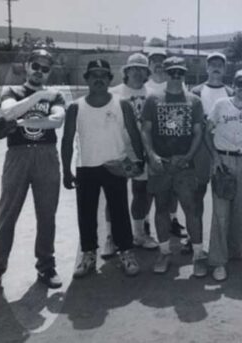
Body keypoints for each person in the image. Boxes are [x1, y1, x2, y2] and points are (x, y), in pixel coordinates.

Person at [0, 49, 66, 297]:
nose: (40, 71)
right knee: (7, 214)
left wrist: (18, 123)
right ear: (27, 66)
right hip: (17, 156)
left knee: (47, 215)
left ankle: (46, 267)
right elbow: (7, 112)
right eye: (36, 65)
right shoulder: (12, 92)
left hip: (47, 155)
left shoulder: (57, 95)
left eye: (45, 68)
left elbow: (55, 121)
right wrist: (38, 96)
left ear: (50, 71)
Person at [61, 59, 143, 278]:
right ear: (86, 79)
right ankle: (88, 254)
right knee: (86, 214)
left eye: (103, 75)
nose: (99, 78)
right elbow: (67, 140)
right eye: (94, 74)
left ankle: (126, 252)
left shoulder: (122, 103)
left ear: (109, 79)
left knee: (119, 212)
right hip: (86, 167)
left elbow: (134, 134)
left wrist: (139, 161)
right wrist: (66, 170)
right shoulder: (76, 106)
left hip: (115, 166)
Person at [140, 56, 207, 277]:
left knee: (191, 208)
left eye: (180, 73)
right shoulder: (153, 99)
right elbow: (146, 131)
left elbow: (198, 133)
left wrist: (188, 156)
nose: (176, 76)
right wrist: (152, 156)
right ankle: (165, 252)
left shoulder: (194, 100)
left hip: (184, 164)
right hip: (162, 163)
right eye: (172, 72)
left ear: (184, 74)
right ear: (165, 74)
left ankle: (198, 254)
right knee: (161, 208)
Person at [98, 53, 159, 257]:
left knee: (142, 191)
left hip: (142, 149)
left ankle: (139, 234)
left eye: (142, 68)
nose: (137, 72)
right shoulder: (114, 92)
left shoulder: (152, 94)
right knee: (114, 194)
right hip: (119, 148)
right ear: (126, 71)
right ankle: (111, 237)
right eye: (133, 68)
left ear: (147, 73)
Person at [206, 69, 242, 281]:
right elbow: (206, 132)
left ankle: (236, 251)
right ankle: (218, 261)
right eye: (240, 83)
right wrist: (216, 159)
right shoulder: (221, 105)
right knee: (221, 212)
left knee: (239, 211)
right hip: (223, 160)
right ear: (233, 84)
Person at [190, 52, 234, 253]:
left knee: (224, 195)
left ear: (225, 69)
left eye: (220, 64)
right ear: (207, 68)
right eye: (212, 64)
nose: (216, 67)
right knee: (197, 194)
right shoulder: (196, 91)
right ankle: (194, 237)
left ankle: (224, 238)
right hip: (200, 150)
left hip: (224, 149)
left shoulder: (231, 92)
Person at [145, 50, 188, 240]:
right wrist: (152, 154)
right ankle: (145, 223)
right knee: (152, 194)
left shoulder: (182, 90)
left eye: (160, 60)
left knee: (176, 195)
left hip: (178, 153)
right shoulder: (149, 91)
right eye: (153, 60)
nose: (157, 64)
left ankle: (173, 220)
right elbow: (146, 128)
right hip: (156, 151)